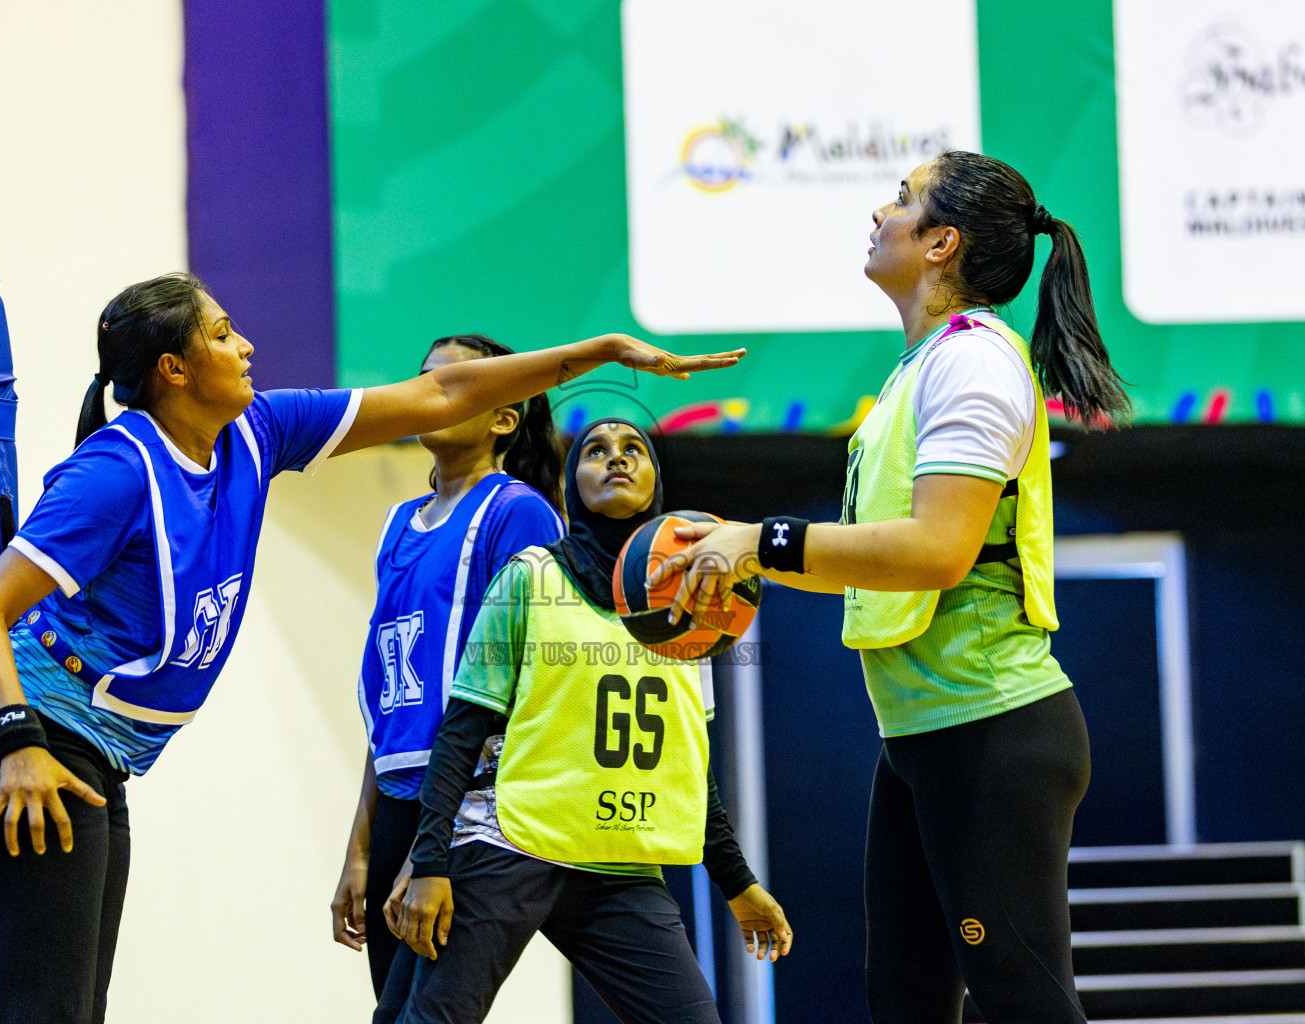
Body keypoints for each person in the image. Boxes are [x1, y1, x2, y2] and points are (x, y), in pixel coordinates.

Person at [0, 271, 743, 1024]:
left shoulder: (262, 431)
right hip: (38, 742)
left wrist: (596, 352)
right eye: (224, 334)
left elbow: (438, 393)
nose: (247, 345)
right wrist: (16, 743)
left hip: (461, 799)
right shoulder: (117, 472)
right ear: (174, 370)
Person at [652, 152, 1131, 1024]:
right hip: (921, 736)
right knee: (904, 1003)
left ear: (941, 243)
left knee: (1026, 1006)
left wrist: (761, 543)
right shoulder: (921, 369)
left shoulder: (975, 363)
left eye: (903, 200)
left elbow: (938, 552)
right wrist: (742, 555)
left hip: (991, 729)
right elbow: (885, 558)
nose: (880, 211)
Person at [388, 418, 792, 1024]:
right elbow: (460, 733)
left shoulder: (697, 608)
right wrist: (431, 861)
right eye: (595, 451)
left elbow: (691, 766)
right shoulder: (530, 575)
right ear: (572, 484)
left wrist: (737, 883)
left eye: (634, 450)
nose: (617, 460)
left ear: (657, 478)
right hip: (511, 841)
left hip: (620, 865)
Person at [329, 334, 568, 1001]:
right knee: (395, 1008)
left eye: (453, 382)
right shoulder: (397, 524)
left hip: (469, 806)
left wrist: (435, 847)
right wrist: (359, 848)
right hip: (402, 801)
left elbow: (524, 690)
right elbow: (386, 717)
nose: (430, 393)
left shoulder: (517, 514)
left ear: (503, 416)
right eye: (423, 379)